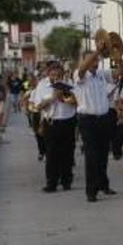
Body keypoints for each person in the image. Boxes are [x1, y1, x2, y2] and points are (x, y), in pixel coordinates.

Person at [73, 39, 119, 203]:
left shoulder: (101, 74)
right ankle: (91, 191)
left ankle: (103, 185)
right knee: (91, 155)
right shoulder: (80, 75)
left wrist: (118, 55)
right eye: (92, 60)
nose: (95, 63)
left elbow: (118, 73)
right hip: (87, 120)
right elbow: (82, 69)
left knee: (103, 154)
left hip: (103, 118)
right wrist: (97, 51)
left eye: (97, 61)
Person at [32, 61, 78, 192]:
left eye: (58, 75)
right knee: (51, 154)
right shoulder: (42, 85)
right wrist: (52, 98)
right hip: (51, 122)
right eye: (53, 74)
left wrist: (66, 96)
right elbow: (37, 106)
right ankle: (51, 182)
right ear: (48, 74)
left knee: (68, 153)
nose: (55, 77)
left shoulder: (69, 83)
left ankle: (66, 181)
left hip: (68, 121)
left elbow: (78, 102)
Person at [24, 70, 47, 161]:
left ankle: (45, 152)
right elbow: (27, 101)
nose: (31, 82)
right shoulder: (30, 91)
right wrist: (27, 109)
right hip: (34, 113)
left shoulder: (40, 89)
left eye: (32, 80)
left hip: (42, 113)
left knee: (43, 133)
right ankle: (41, 151)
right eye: (29, 81)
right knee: (37, 134)